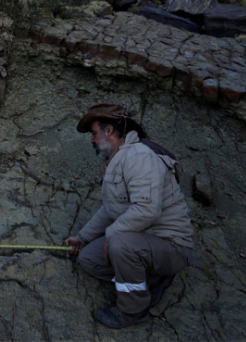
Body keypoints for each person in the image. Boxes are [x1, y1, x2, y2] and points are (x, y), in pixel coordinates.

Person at [64, 104, 194, 329]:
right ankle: (145, 277)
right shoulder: (116, 160)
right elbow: (110, 209)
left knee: (119, 243)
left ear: (110, 131)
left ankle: (133, 309)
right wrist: (82, 238)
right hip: (141, 240)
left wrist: (112, 235)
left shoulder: (139, 156)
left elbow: (146, 210)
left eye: (94, 133)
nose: (92, 140)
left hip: (171, 245)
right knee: (88, 260)